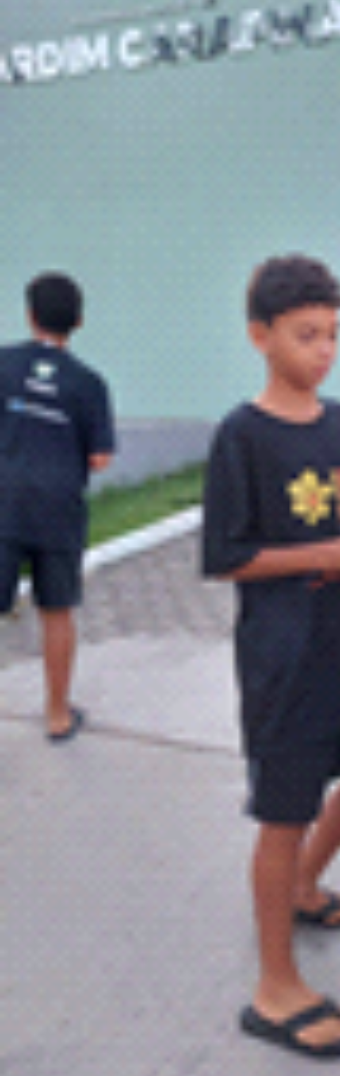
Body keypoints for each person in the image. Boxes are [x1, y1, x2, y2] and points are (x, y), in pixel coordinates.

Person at [203, 253, 340, 1060]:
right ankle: (275, 987)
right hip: (284, 657)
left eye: (332, 334)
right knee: (284, 814)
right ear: (260, 336)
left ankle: (301, 885)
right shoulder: (242, 436)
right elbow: (227, 556)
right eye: (305, 334)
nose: (324, 350)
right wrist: (328, 553)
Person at [0, 272, 115, 742]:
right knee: (56, 610)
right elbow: (100, 458)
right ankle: (57, 715)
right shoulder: (89, 383)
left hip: (5, 504)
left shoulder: (4, 364)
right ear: (78, 322)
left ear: (30, 315)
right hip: (59, 510)